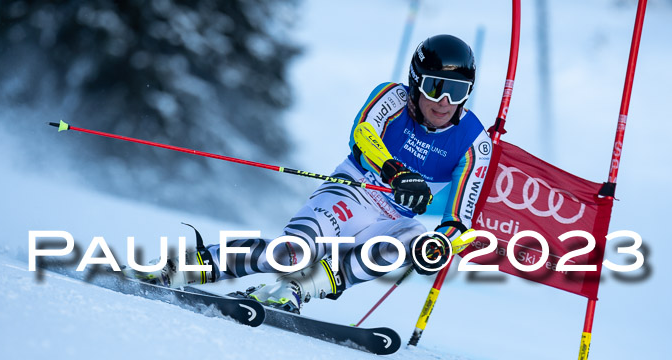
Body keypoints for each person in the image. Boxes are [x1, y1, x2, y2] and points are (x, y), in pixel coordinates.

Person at [135, 34, 492, 314]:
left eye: (458, 91)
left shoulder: (474, 142)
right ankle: (188, 266)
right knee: (295, 251)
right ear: (415, 82)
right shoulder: (392, 98)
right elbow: (363, 133)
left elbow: (459, 220)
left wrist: (440, 243)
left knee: (414, 241)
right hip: (355, 191)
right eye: (435, 87)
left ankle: (297, 288)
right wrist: (395, 172)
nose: (445, 102)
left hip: (394, 219)